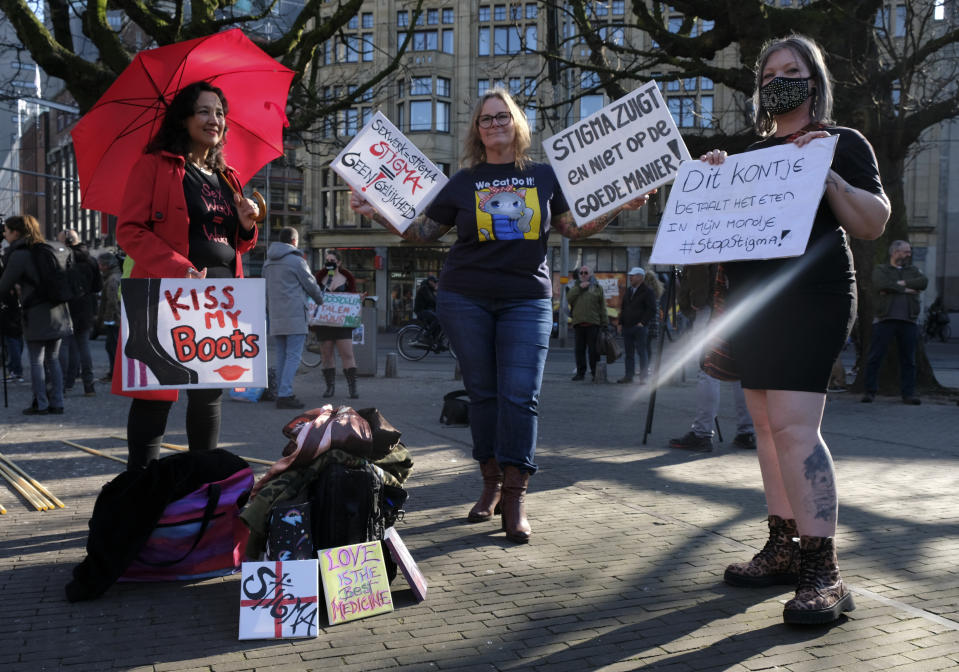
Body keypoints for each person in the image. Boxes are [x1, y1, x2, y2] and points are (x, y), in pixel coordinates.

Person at [349, 87, 652, 544]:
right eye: (485, 119)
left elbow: (572, 226)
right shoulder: (463, 182)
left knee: (520, 395)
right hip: (464, 297)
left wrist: (617, 208)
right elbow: (424, 233)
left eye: (502, 117)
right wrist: (375, 214)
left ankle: (515, 494)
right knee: (484, 395)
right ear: (477, 130)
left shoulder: (545, 177)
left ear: (517, 124)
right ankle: (489, 482)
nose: (494, 125)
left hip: (526, 299)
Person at [700, 35, 889, 624]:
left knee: (794, 427)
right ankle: (783, 547)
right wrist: (711, 182)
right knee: (764, 425)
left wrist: (828, 173)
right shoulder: (748, 153)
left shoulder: (841, 142)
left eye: (792, 70)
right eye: (768, 73)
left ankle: (824, 573)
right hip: (754, 302)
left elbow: (874, 222)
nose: (778, 79)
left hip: (813, 297)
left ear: (814, 80)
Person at [112, 81, 260, 471]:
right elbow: (129, 230)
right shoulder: (154, 165)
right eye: (205, 111)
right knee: (154, 396)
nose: (216, 120)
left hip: (222, 297)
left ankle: (203, 491)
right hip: (167, 294)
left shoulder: (228, 177)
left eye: (220, 113)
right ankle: (139, 492)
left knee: (209, 396)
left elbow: (234, 245)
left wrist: (245, 227)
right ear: (184, 118)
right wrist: (181, 270)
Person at [670, 263, 756, 452]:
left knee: (707, 369)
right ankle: (747, 431)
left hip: (713, 306)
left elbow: (700, 266)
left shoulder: (706, 235)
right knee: (739, 370)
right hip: (738, 303)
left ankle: (702, 433)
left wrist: (697, 302)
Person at [0, 215, 73, 414]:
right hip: (59, 312)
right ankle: (57, 403)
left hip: (37, 314)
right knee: (54, 359)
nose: (4, 235)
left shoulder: (20, 255)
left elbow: (3, 286)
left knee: (36, 360)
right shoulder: (49, 248)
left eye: (6, 231)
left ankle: (40, 404)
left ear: (16, 232)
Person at [263, 226, 325, 409]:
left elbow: (264, 289)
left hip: (275, 315)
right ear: (294, 242)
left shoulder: (268, 262)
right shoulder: (296, 261)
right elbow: (310, 284)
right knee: (294, 357)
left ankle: (281, 392)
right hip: (295, 315)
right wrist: (320, 299)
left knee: (281, 355)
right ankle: (285, 393)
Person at [861, 240, 927, 405]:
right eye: (905, 252)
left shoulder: (912, 270)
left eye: (909, 252)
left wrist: (897, 285)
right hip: (884, 319)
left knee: (909, 360)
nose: (908, 255)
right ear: (894, 252)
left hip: (909, 320)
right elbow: (880, 284)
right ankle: (870, 392)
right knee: (875, 357)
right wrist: (907, 289)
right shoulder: (881, 269)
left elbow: (923, 282)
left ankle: (908, 394)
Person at [58, 229, 102, 396]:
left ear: (65, 242)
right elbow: (98, 286)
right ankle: (88, 384)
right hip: (85, 307)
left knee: (64, 345)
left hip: (66, 306)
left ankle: (63, 384)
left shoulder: (61, 259)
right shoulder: (90, 260)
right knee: (83, 346)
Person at [312, 249, 359, 399]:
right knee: (326, 355)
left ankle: (352, 388)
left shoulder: (347, 279)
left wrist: (358, 300)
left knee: (347, 354)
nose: (329, 263)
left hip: (342, 323)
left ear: (339, 262)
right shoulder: (319, 280)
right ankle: (329, 387)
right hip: (324, 323)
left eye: (332, 261)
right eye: (327, 260)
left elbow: (353, 298)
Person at [567, 265, 608, 381]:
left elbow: (602, 307)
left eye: (586, 273)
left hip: (593, 323)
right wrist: (580, 288)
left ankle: (595, 373)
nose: (583, 275)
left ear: (591, 274)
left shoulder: (597, 287)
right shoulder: (574, 286)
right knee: (579, 350)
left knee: (594, 351)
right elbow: (568, 298)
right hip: (579, 323)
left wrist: (605, 323)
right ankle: (580, 373)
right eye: (581, 273)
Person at [617, 267, 657, 384]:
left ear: (640, 277)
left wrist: (643, 322)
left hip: (639, 327)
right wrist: (620, 323)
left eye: (633, 275)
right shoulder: (629, 290)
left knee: (641, 352)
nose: (630, 277)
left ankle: (643, 378)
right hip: (627, 326)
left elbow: (652, 309)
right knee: (629, 353)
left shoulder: (647, 291)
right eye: (630, 275)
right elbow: (624, 308)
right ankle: (628, 376)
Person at [1, 238, 25, 383]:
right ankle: (15, 367)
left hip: (9, 303)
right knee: (15, 337)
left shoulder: (10, 259)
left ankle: (15, 369)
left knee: (11, 337)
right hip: (15, 303)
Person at [96, 252, 121, 382]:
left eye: (100, 264)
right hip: (116, 318)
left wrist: (108, 318)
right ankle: (115, 373)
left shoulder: (112, 279)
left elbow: (112, 302)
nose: (99, 267)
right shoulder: (114, 276)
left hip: (114, 319)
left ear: (106, 265)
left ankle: (115, 373)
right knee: (112, 346)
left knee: (112, 346)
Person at [413, 275, 441, 346]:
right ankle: (426, 336)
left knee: (440, 323)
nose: (436, 284)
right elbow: (431, 300)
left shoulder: (430, 289)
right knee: (437, 319)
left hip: (427, 310)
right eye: (435, 282)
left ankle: (435, 341)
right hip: (421, 311)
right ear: (430, 282)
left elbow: (434, 301)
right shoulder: (424, 288)